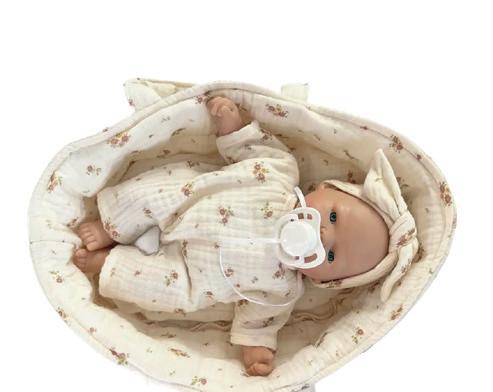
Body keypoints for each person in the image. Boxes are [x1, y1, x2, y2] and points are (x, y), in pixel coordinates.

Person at [73, 97, 418, 376]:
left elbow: (259, 321)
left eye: (330, 256)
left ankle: (109, 263)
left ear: (326, 282)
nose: (324, 236)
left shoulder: (282, 290)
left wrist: (257, 348)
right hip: (185, 204)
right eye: (333, 216)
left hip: (189, 273)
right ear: (326, 188)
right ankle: (109, 226)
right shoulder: (280, 172)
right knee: (156, 192)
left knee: (166, 290)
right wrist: (232, 123)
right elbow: (247, 147)